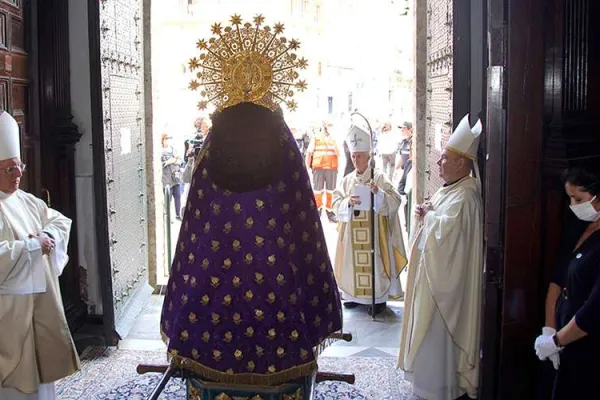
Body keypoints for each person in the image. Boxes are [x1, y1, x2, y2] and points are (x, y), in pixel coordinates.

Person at [160, 102, 343, 385]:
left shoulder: (215, 138)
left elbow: (197, 212)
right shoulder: (282, 138)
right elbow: (301, 212)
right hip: (275, 263)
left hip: (215, 266)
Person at [398, 114, 483, 400]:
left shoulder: (466, 196)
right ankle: (428, 384)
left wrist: (430, 215)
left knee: (437, 339)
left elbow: (449, 235)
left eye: (444, 158)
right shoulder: (454, 190)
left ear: (461, 162)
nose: (438, 163)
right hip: (432, 280)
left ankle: (439, 388)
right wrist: (430, 212)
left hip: (443, 290)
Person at [0, 111, 80, 399]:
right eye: (9, 169)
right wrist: (32, 248)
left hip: (40, 308)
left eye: (19, 166)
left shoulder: (26, 200)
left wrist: (48, 237)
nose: (19, 174)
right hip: (10, 317)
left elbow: (60, 221)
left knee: (43, 386)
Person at [534, 166, 600, 399]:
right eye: (570, 198)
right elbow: (557, 278)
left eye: (578, 198)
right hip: (561, 339)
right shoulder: (581, 227)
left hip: (585, 345)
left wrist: (556, 341)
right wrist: (549, 330)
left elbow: (595, 307)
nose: (573, 205)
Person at [332, 124, 407, 315]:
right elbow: (336, 202)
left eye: (359, 156)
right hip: (352, 235)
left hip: (375, 234)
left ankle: (378, 299)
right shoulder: (348, 180)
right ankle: (354, 296)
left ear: (368, 157)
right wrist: (347, 202)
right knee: (353, 264)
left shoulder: (379, 177)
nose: (355, 160)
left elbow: (395, 199)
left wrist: (378, 193)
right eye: (353, 156)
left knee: (375, 263)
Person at [305, 121, 340, 223]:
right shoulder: (316, 137)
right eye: (330, 125)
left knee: (331, 191)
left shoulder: (334, 138)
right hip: (319, 168)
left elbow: (339, 153)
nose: (331, 127)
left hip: (331, 168)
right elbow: (309, 152)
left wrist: (333, 142)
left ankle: (330, 211)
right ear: (325, 126)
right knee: (317, 191)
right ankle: (318, 211)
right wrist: (307, 167)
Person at [161, 133, 183, 220]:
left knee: (178, 196)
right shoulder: (160, 151)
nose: (169, 140)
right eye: (167, 138)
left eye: (170, 137)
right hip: (166, 178)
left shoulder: (174, 149)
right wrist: (173, 160)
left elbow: (180, 161)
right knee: (168, 198)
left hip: (176, 177)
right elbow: (162, 164)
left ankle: (178, 214)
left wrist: (171, 161)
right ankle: (167, 217)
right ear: (163, 139)